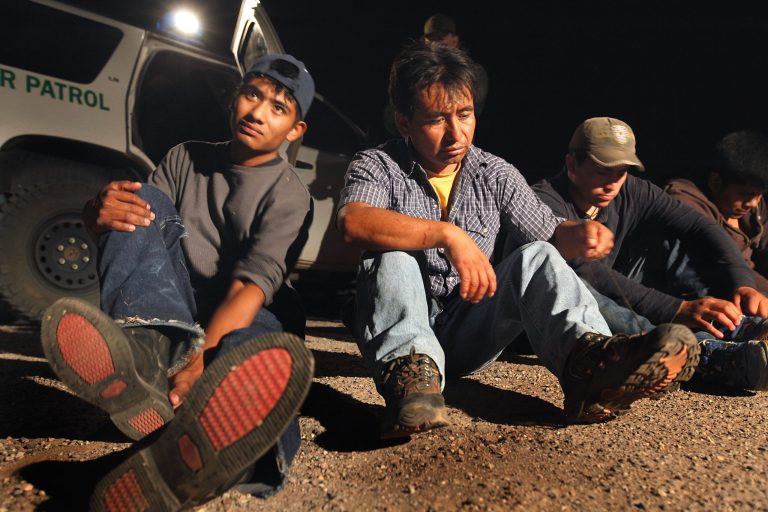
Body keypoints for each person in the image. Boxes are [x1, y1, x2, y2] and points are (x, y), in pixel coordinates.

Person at [337, 41, 699, 439]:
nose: (456, 133)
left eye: (465, 114)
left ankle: (589, 370)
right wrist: (447, 234)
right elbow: (354, 222)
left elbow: (547, 232)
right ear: (404, 122)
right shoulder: (377, 164)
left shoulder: (495, 173)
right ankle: (412, 384)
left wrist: (574, 233)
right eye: (437, 120)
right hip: (406, 328)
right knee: (393, 256)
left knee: (538, 255)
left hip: (467, 329)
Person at [39, 53, 316, 510]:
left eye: (278, 108)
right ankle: (145, 360)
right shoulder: (185, 157)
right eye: (252, 94)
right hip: (177, 309)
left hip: (249, 313)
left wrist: (203, 360)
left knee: (256, 351)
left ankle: (240, 456)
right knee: (139, 198)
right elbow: (142, 227)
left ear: (294, 131)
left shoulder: (290, 195)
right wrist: (96, 212)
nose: (257, 112)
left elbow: (251, 287)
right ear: (235, 97)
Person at [531, 117, 768, 391]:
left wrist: (743, 283)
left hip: (615, 289)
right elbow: (588, 272)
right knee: (577, 285)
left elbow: (698, 226)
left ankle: (735, 328)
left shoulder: (630, 189)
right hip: (553, 314)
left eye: (620, 172)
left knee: (673, 244)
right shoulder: (544, 200)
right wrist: (675, 309)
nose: (612, 183)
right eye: (602, 170)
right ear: (572, 165)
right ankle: (698, 357)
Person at [664, 130, 768, 294]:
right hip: (708, 293)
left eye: (759, 195)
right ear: (715, 182)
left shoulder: (753, 203)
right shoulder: (684, 201)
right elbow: (721, 265)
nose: (753, 203)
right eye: (745, 194)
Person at [422, 13, 489, 116]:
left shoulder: (474, 72)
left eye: (440, 37)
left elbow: (473, 111)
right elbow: (392, 117)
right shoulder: (415, 71)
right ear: (424, 41)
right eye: (432, 38)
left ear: (455, 40)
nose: (435, 43)